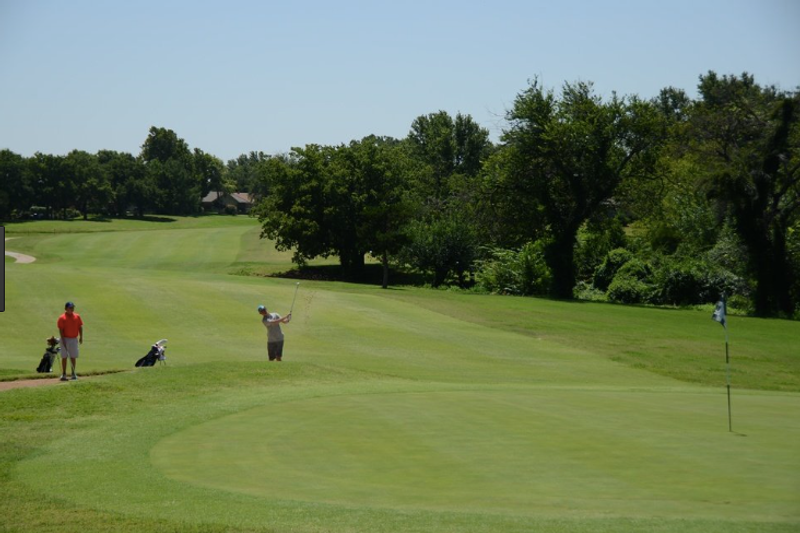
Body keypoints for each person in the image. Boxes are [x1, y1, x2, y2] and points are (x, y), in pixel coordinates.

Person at [57, 301, 83, 381]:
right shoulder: (62, 318)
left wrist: (81, 337)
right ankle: (64, 374)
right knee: (64, 357)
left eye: (72, 307)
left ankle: (73, 373)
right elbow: (61, 330)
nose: (72, 309)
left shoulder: (77, 316)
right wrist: (63, 339)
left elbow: (80, 326)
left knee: (73, 357)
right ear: (66, 308)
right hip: (65, 338)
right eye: (70, 308)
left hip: (73, 339)